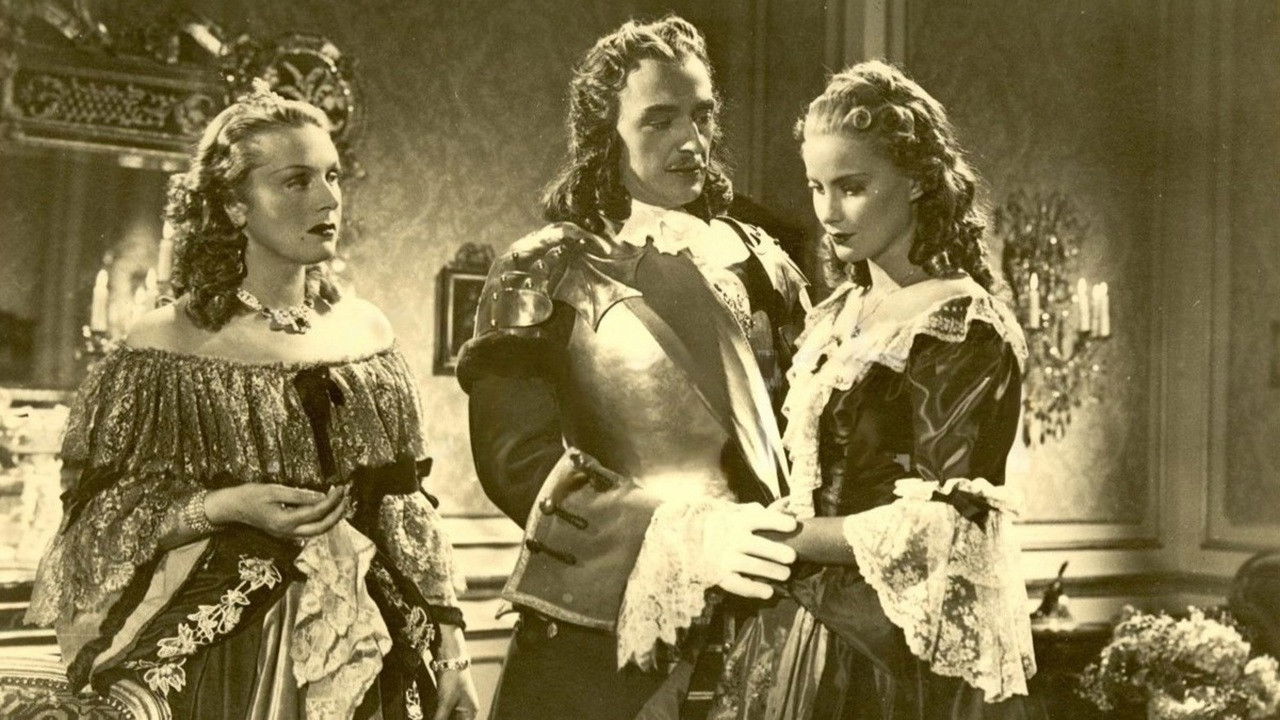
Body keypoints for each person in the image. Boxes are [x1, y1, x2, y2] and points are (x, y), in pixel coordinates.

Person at [26, 84, 479, 720]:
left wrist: (453, 653)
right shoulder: (165, 345)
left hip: (372, 636)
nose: (328, 199)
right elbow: (100, 523)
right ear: (235, 206)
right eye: (296, 181)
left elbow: (406, 511)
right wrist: (225, 506)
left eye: (332, 176)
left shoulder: (368, 333)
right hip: (227, 650)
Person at [457, 15, 810, 720]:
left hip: (765, 623)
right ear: (605, 134)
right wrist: (685, 536)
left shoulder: (766, 263)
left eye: (702, 115)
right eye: (659, 119)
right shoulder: (544, 268)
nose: (691, 140)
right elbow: (516, 464)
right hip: (603, 638)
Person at [708, 61, 1037, 719]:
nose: (829, 213)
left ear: (917, 180)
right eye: (816, 188)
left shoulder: (961, 324)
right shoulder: (836, 315)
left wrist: (789, 537)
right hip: (798, 624)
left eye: (852, 188)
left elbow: (944, 524)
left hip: (896, 649)